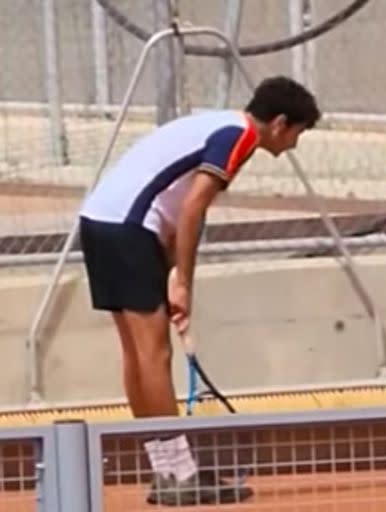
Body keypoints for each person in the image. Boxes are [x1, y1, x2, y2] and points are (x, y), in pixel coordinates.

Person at [78, 75, 321, 506]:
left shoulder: (219, 125)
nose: (295, 145)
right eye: (298, 133)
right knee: (154, 352)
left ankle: (167, 470)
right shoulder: (241, 136)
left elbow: (175, 205)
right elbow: (192, 208)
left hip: (101, 221)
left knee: (137, 353)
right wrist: (185, 285)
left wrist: (172, 271)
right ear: (281, 123)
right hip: (129, 229)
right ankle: (180, 474)